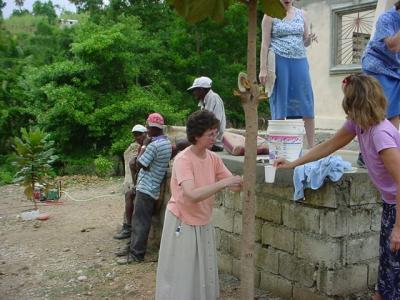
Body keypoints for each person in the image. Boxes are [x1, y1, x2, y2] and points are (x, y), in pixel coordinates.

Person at [274, 73, 400, 300]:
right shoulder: (359, 124)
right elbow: (331, 144)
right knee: (387, 268)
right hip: (391, 203)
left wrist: (399, 228)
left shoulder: (381, 135)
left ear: (356, 105)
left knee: (395, 270)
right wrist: (294, 163)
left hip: (397, 205)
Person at [155, 110, 243, 300]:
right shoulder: (183, 160)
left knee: (201, 269)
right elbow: (192, 194)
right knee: (183, 271)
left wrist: (241, 181)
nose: (214, 137)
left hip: (203, 220)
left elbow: (233, 186)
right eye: (210, 134)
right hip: (182, 220)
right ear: (196, 135)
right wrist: (224, 183)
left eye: (215, 133)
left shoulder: (213, 158)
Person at [259, 0, 317, 148]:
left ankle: (311, 147)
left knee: (306, 101)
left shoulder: (303, 14)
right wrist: (263, 68)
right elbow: (265, 44)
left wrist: (310, 38)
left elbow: (305, 42)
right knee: (280, 100)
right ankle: (279, 148)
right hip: (279, 60)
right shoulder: (270, 15)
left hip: (300, 61)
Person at [117, 113, 172, 264]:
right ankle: (132, 248)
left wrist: (144, 145)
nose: (147, 131)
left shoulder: (153, 145)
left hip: (147, 187)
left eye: (148, 128)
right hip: (152, 186)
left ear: (153, 128)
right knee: (138, 220)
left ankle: (137, 255)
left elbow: (139, 164)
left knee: (140, 222)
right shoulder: (166, 142)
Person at [362, 1, 400, 129]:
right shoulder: (386, 18)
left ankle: (391, 145)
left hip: (395, 69)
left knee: (394, 111)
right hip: (377, 66)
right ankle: (375, 146)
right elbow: (393, 46)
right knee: (379, 112)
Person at [114, 124, 147, 240]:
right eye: (135, 135)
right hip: (142, 182)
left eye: (139, 134)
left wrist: (135, 164)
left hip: (149, 183)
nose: (137, 137)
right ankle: (127, 227)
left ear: (145, 134)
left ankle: (131, 231)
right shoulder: (140, 148)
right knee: (129, 194)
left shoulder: (148, 147)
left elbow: (141, 165)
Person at [187, 76, 226, 152]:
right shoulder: (205, 101)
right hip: (206, 138)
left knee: (181, 144)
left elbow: (216, 124)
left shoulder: (213, 98)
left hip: (214, 142)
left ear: (201, 90)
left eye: (195, 90)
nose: (194, 93)